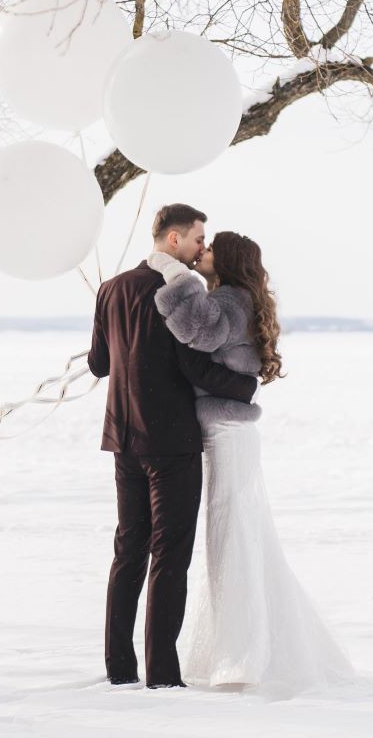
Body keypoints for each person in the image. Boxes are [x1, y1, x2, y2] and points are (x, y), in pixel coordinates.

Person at [149, 230, 353, 694]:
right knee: (239, 535)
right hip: (231, 432)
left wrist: (173, 272)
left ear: (229, 259)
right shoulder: (236, 299)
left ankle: (243, 656)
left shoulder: (230, 303)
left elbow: (194, 329)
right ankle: (246, 645)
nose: (204, 252)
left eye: (211, 247)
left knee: (232, 537)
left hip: (226, 434)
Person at [87, 203, 259, 689]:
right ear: (174, 240)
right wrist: (247, 387)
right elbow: (193, 367)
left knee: (128, 551)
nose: (203, 247)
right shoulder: (176, 292)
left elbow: (100, 364)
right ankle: (162, 676)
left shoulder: (111, 288)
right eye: (199, 238)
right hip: (172, 440)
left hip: (123, 437)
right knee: (169, 556)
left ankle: (119, 670)